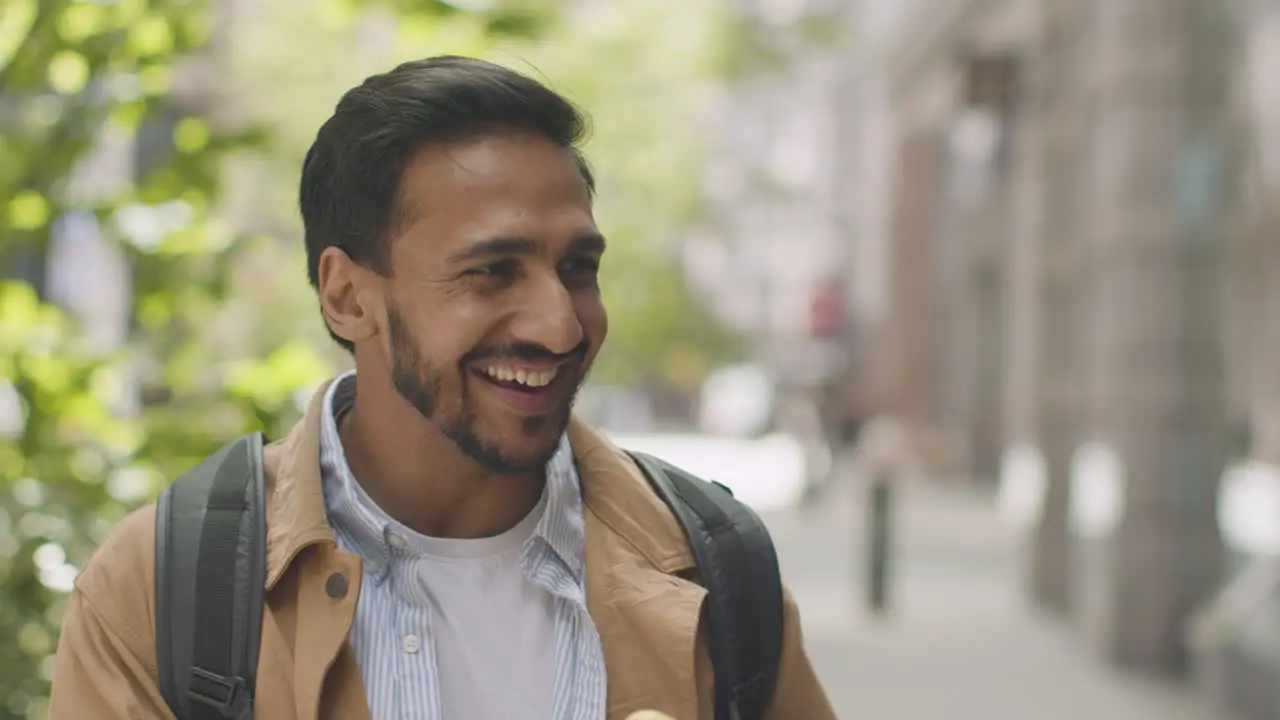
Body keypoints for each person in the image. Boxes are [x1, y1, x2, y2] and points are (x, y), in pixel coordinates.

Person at [48, 56, 836, 719]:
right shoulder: (164, 586)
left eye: (578, 269)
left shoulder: (715, 569)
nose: (561, 326)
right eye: (492, 271)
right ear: (348, 298)